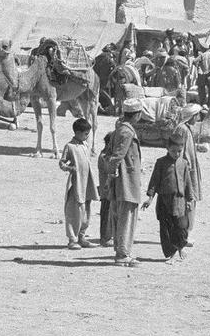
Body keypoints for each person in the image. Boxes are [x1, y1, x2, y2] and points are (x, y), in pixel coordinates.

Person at [144, 132, 198, 262]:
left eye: (179, 151)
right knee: (166, 228)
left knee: (181, 226)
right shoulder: (161, 163)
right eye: (173, 151)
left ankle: (180, 247)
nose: (176, 153)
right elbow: (154, 181)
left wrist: (190, 198)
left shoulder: (184, 163)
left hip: (180, 201)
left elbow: (187, 182)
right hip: (164, 201)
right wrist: (150, 198)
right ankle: (171, 254)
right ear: (167, 148)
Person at [106, 97, 145, 266]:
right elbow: (117, 156)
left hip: (122, 180)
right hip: (127, 181)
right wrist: (112, 174)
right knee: (127, 217)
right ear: (136, 115)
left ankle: (121, 251)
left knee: (121, 215)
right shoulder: (127, 132)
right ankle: (123, 254)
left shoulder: (120, 129)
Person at [58, 117, 97, 248]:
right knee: (74, 211)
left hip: (87, 183)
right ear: (77, 132)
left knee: (86, 210)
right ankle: (72, 239)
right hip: (77, 183)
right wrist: (70, 168)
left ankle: (82, 236)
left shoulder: (85, 145)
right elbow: (62, 163)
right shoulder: (69, 146)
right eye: (85, 134)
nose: (87, 137)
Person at [172, 116, 204, 244]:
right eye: (196, 115)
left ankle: (186, 234)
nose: (198, 118)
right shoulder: (182, 130)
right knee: (186, 203)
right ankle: (183, 236)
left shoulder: (188, 129)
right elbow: (178, 151)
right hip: (185, 171)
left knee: (191, 201)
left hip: (190, 170)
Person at [96, 131, 115, 247]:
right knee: (106, 213)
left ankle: (108, 236)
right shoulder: (104, 156)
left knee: (109, 213)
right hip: (106, 190)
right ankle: (105, 238)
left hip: (108, 190)